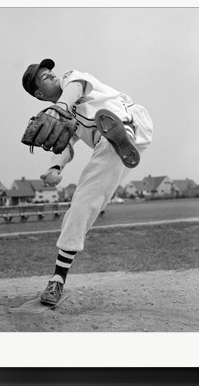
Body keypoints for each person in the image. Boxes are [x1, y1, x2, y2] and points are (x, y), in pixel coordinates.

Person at [22, 58, 153, 306]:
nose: (51, 75)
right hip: (114, 143)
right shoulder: (65, 116)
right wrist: (54, 167)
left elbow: (76, 87)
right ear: (39, 93)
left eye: (50, 71)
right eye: (43, 77)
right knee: (85, 201)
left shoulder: (70, 79)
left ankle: (121, 131)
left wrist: (59, 107)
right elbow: (65, 145)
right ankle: (58, 279)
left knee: (83, 197)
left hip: (126, 116)